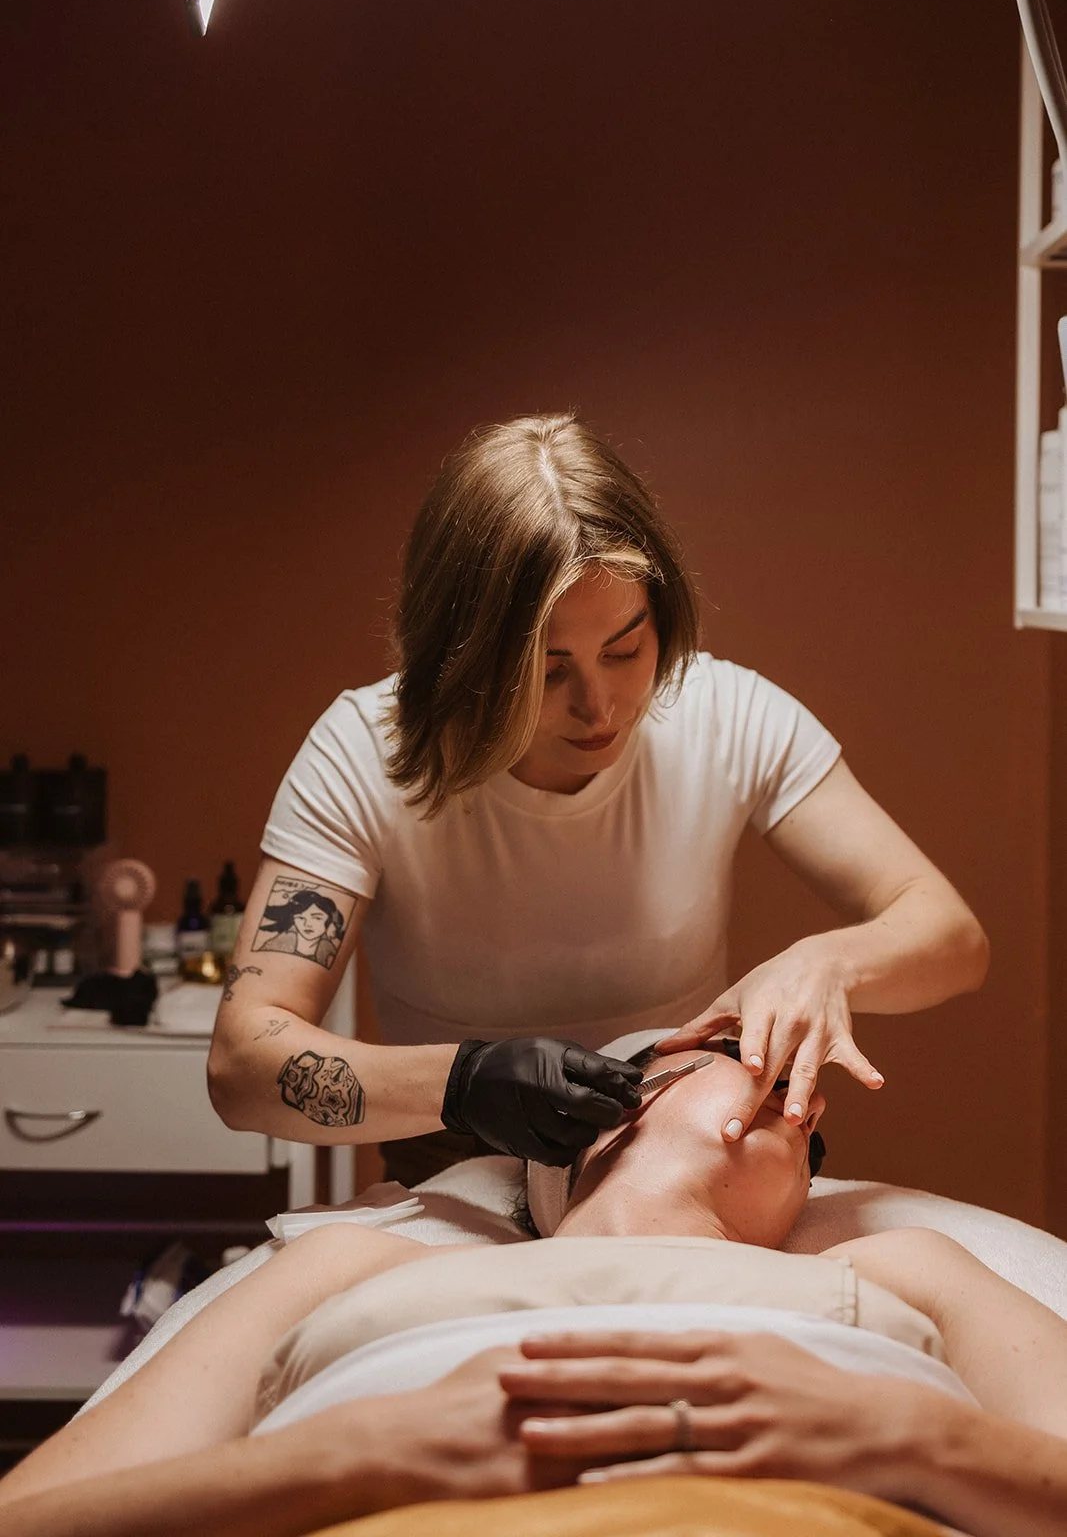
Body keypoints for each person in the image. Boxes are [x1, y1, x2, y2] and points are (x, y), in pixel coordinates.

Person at [206, 412, 989, 1182]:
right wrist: (461, 1084)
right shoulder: (362, 751)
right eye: (547, 670)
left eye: (625, 650)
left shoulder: (724, 714)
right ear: (465, 659)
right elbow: (242, 1064)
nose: (600, 705)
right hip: (454, 1172)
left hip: (681, 1171)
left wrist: (829, 963)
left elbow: (951, 937)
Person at [3, 1035, 1066, 1537]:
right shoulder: (354, 1258)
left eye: (818, 1137)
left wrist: (908, 1441)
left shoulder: (896, 1265)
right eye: (732, 1051)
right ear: (596, 1113)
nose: (798, 1101)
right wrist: (350, 1456)